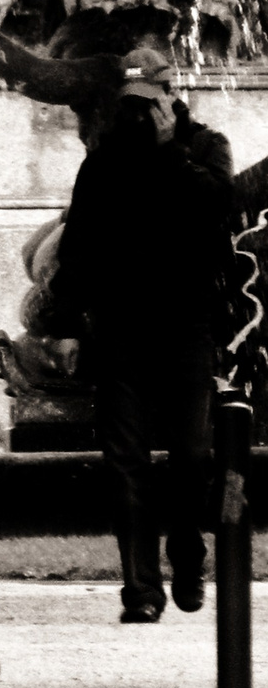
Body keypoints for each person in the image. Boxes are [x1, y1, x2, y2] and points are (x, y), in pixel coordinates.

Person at [49, 47, 236, 623]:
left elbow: (222, 214)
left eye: (148, 101)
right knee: (124, 462)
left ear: (171, 93)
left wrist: (171, 154)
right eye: (130, 103)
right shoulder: (104, 160)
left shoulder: (205, 149)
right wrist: (64, 326)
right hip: (121, 329)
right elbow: (77, 247)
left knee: (192, 457)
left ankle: (186, 551)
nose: (138, 114)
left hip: (187, 326)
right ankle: (141, 592)